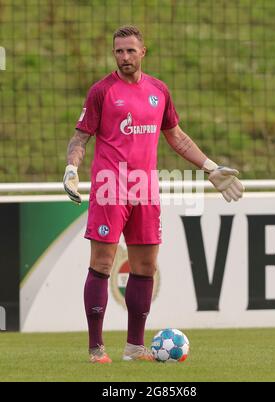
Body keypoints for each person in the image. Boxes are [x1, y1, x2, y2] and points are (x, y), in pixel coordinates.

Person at [63, 26, 244, 364]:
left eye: (130, 51)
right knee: (102, 263)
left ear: (143, 52)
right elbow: (79, 138)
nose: (124, 57)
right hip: (109, 188)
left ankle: (134, 348)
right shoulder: (101, 91)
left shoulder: (159, 90)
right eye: (118, 51)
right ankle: (96, 348)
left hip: (146, 190)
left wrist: (210, 167)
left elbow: (177, 137)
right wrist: (72, 168)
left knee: (145, 266)